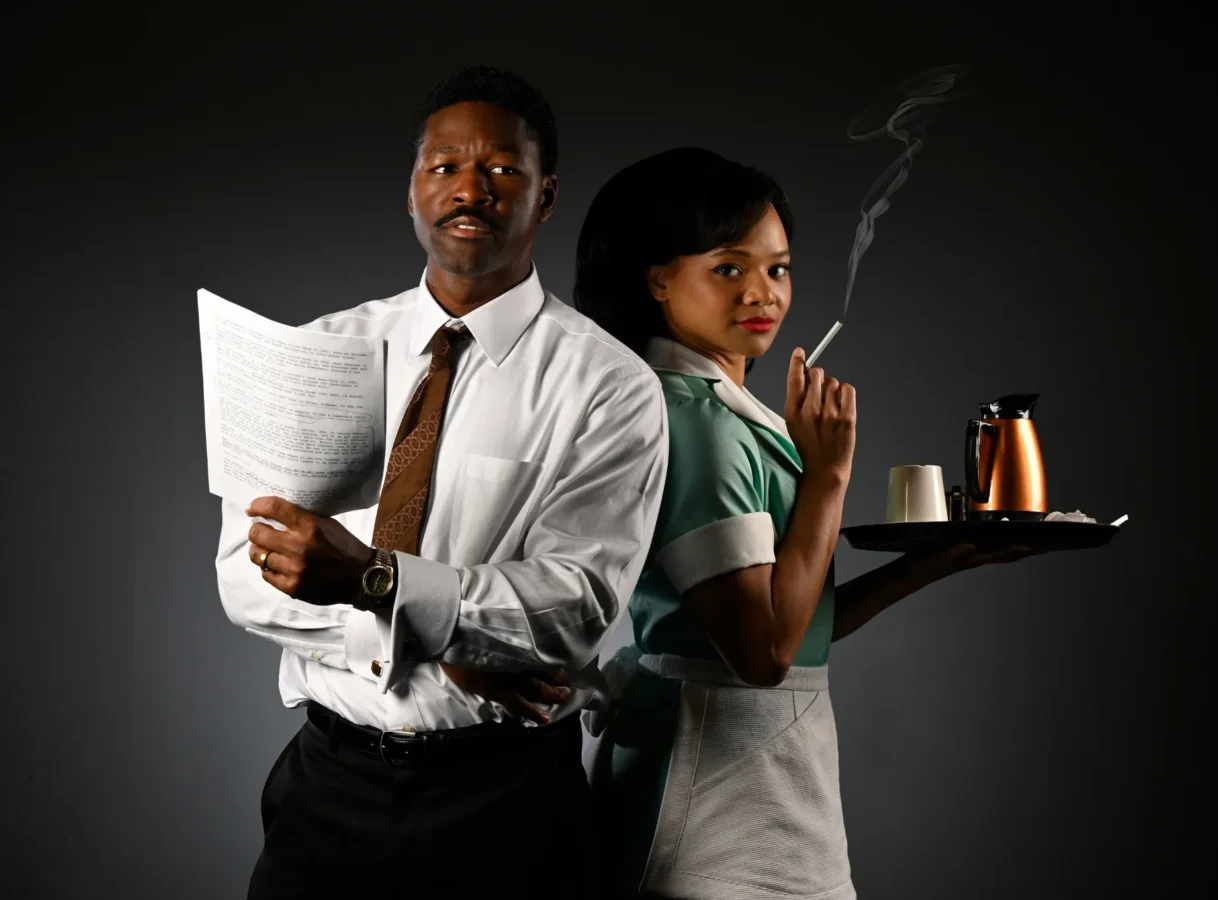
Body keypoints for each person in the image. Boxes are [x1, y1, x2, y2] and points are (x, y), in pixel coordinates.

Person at [213, 66, 669, 897]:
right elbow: (246, 583)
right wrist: (444, 640)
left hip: (505, 801)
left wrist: (371, 582)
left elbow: (571, 609)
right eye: (444, 167)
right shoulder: (319, 352)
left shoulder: (609, 385)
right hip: (328, 787)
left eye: (501, 168)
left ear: (547, 193)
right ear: (412, 191)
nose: (470, 188)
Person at [562, 147, 1038, 899]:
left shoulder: (716, 411)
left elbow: (796, 618)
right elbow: (763, 653)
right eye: (728, 267)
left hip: (764, 762)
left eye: (777, 268)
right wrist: (827, 476)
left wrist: (930, 563)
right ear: (656, 278)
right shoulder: (693, 421)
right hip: (711, 779)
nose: (762, 292)